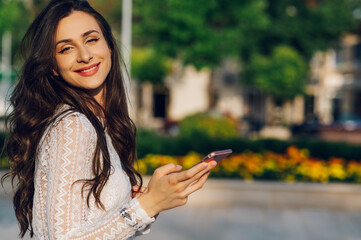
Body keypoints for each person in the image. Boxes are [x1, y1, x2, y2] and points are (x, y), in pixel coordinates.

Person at [1, 0, 217, 239]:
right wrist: (147, 206)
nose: (84, 55)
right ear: (52, 66)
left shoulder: (95, 121)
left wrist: (140, 203)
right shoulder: (72, 125)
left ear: (109, 45)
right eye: (66, 48)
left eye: (91, 39)